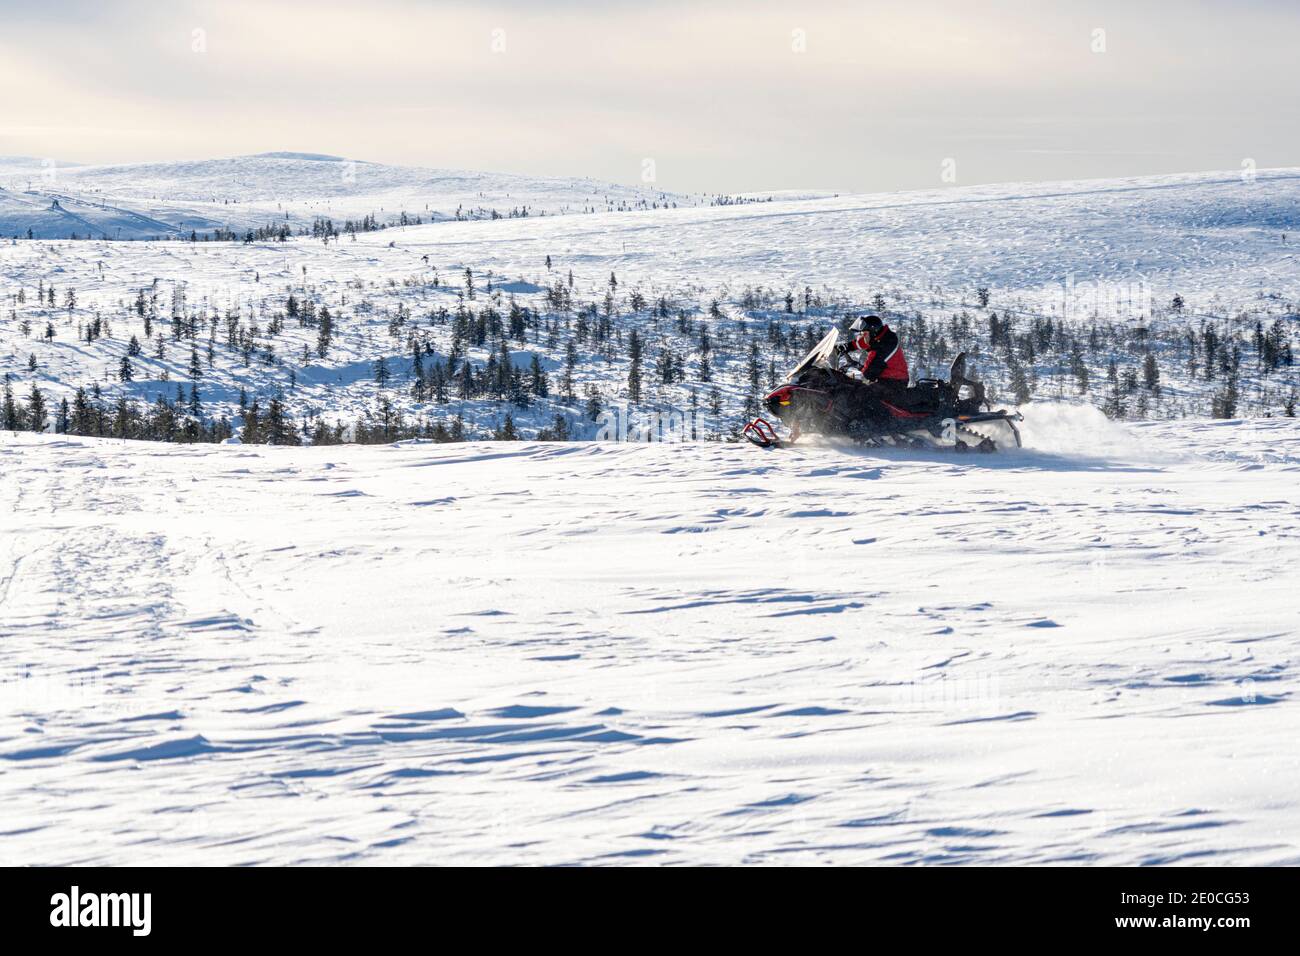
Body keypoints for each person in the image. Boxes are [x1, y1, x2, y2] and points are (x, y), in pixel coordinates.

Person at [841, 315, 909, 390]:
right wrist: (845, 347)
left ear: (873, 332)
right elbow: (863, 342)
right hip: (888, 380)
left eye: (864, 334)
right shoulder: (883, 337)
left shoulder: (882, 348)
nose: (863, 337)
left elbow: (869, 374)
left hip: (895, 384)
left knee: (859, 395)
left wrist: (857, 365)